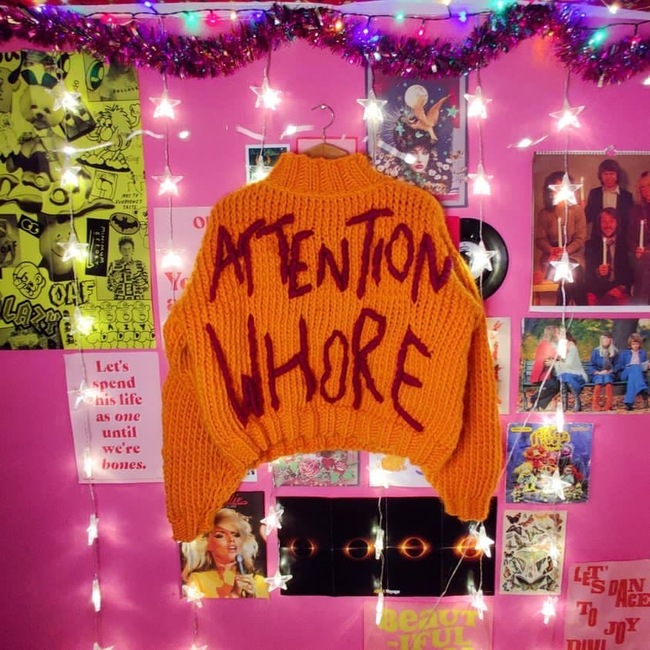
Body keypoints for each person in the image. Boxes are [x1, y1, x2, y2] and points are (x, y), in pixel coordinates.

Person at [182, 508, 269, 599]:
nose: (231, 539)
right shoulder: (198, 580)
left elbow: (267, 608)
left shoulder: (259, 582)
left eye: (236, 535)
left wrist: (253, 600)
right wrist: (233, 596)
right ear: (207, 543)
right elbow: (195, 608)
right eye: (220, 535)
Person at [534, 170, 587, 305]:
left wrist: (565, 251)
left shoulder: (577, 211)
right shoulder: (544, 214)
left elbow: (580, 239)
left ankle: (563, 307)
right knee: (566, 273)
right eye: (557, 188)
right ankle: (577, 310)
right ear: (551, 192)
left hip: (573, 255)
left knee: (572, 272)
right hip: (551, 257)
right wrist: (551, 250)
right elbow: (540, 239)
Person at [584, 208, 633, 306]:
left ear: (617, 223)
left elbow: (629, 272)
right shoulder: (591, 245)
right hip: (597, 290)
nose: (608, 225)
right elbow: (587, 274)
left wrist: (621, 288)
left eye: (611, 221)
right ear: (599, 224)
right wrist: (598, 271)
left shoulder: (625, 244)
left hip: (618, 288)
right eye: (604, 222)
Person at [585, 159, 633, 240]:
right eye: (605, 174)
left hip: (620, 240)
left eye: (612, 174)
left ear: (617, 175)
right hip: (598, 239)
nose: (609, 177)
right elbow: (588, 218)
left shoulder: (626, 196)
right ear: (600, 175)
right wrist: (582, 209)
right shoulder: (594, 194)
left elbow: (628, 221)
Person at [627, 171, 650, 304]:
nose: (646, 190)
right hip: (640, 253)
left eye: (649, 185)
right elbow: (630, 237)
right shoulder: (635, 211)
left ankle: (639, 304)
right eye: (642, 187)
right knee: (644, 262)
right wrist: (636, 249)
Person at [106, 236, 149, 300]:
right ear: (120, 250)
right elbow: (110, 288)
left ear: (133, 249)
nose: (126, 251)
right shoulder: (113, 265)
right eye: (124, 249)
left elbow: (145, 288)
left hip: (138, 301)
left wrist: (136, 274)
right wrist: (115, 281)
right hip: (119, 301)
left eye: (129, 248)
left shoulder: (141, 264)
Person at [528, 325, 560, 410]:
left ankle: (537, 403)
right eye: (557, 333)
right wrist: (557, 358)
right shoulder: (545, 344)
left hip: (549, 373)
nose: (558, 334)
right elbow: (554, 356)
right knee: (554, 385)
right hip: (543, 374)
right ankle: (535, 398)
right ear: (552, 334)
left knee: (558, 384)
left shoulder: (549, 344)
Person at [614, 332, 649, 411]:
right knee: (634, 367)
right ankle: (642, 388)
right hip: (625, 373)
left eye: (637, 344)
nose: (635, 346)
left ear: (639, 344)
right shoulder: (625, 353)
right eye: (633, 344)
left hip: (637, 376)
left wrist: (647, 365)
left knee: (632, 377)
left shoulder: (643, 353)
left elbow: (645, 364)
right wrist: (627, 367)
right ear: (630, 344)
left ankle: (628, 403)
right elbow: (618, 366)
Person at [554, 331, 587, 412]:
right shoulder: (562, 349)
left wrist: (555, 363)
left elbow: (570, 365)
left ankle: (577, 401)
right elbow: (561, 368)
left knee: (566, 376)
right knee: (563, 376)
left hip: (578, 376)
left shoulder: (572, 347)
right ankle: (564, 405)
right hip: (567, 375)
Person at [589, 331, 618, 411]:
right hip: (598, 373)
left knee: (607, 379)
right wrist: (598, 372)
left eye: (606, 338)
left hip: (609, 373)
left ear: (610, 340)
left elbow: (618, 365)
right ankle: (595, 404)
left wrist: (611, 371)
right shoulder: (596, 351)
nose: (605, 340)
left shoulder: (614, 352)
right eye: (603, 339)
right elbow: (591, 365)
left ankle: (608, 404)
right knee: (599, 379)